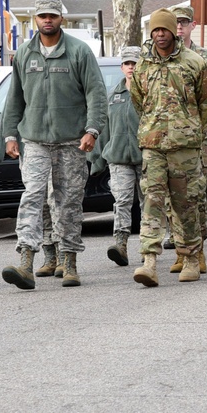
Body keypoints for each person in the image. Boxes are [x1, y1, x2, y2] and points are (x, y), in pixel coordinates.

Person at [0, 0, 107, 290]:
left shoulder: (78, 52)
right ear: (36, 19)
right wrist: (10, 135)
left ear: (62, 20)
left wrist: (92, 130)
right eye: (43, 16)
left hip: (72, 142)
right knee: (32, 196)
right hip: (34, 141)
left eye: (53, 16)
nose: (48, 20)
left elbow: (96, 95)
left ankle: (69, 261)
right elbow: (15, 99)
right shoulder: (24, 54)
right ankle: (26, 263)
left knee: (68, 202)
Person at [130, 8, 207, 286]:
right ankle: (149, 261)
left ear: (172, 32)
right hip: (152, 145)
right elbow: (138, 100)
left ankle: (191, 257)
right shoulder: (143, 65)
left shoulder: (194, 62)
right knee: (153, 202)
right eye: (155, 30)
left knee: (186, 204)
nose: (159, 34)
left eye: (164, 30)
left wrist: (191, 130)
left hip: (185, 147)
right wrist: (152, 128)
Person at [169, 5, 207, 274]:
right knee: (172, 196)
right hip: (169, 139)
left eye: (184, 22)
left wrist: (199, 125)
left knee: (196, 194)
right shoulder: (161, 57)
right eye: (175, 22)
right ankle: (181, 250)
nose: (179, 27)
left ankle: (197, 250)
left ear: (192, 25)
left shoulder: (204, 57)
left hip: (199, 138)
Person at [89, 46, 143, 267]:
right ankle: (120, 244)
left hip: (146, 158)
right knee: (122, 200)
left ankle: (148, 247)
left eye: (135, 63)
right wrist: (97, 159)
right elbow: (105, 129)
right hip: (119, 158)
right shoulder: (113, 97)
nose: (131, 67)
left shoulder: (149, 95)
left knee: (150, 202)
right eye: (128, 64)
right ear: (122, 67)